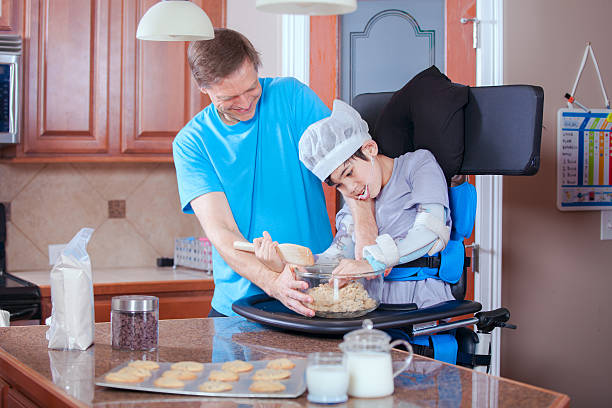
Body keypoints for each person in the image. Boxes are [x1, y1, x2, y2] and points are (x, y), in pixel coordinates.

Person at [173, 28, 341, 317]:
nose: (245, 103)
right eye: (229, 97)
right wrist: (274, 283)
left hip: (314, 292)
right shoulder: (192, 143)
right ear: (204, 88)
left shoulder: (292, 98)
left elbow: (349, 168)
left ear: (256, 66)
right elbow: (222, 232)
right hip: (238, 307)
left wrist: (363, 238)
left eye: (251, 88)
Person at [255, 99, 454, 308]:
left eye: (349, 173)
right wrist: (285, 265)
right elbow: (336, 258)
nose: (349, 189)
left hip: (421, 303)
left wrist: (370, 263)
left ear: (369, 149)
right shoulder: (357, 200)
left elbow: (430, 233)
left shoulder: (418, 165)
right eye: (339, 185)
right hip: (372, 308)